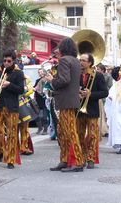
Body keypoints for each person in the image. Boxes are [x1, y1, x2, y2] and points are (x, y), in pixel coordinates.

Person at [45, 37, 84, 172]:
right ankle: (65, 159)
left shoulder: (64, 61)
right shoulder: (76, 61)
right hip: (71, 100)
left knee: (69, 132)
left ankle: (77, 161)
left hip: (65, 101)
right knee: (63, 132)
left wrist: (52, 80)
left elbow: (64, 80)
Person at [0, 49, 25, 169]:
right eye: (4, 60)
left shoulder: (18, 73)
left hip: (12, 107)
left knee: (11, 134)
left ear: (13, 61)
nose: (6, 63)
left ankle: (10, 159)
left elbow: (21, 90)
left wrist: (9, 85)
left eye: (9, 61)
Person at [77, 54, 108, 169]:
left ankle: (91, 158)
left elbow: (105, 92)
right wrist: (78, 94)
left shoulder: (98, 76)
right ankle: (82, 157)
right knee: (79, 135)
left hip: (92, 110)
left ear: (90, 63)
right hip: (79, 110)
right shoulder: (77, 75)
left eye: (84, 61)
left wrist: (90, 94)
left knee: (92, 135)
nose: (81, 62)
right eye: (80, 60)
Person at [33, 68, 48, 135]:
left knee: (44, 116)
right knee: (37, 116)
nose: (40, 73)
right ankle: (40, 128)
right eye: (39, 72)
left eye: (41, 72)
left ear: (44, 72)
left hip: (44, 100)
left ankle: (45, 129)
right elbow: (34, 88)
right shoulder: (37, 80)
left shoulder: (47, 79)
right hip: (38, 100)